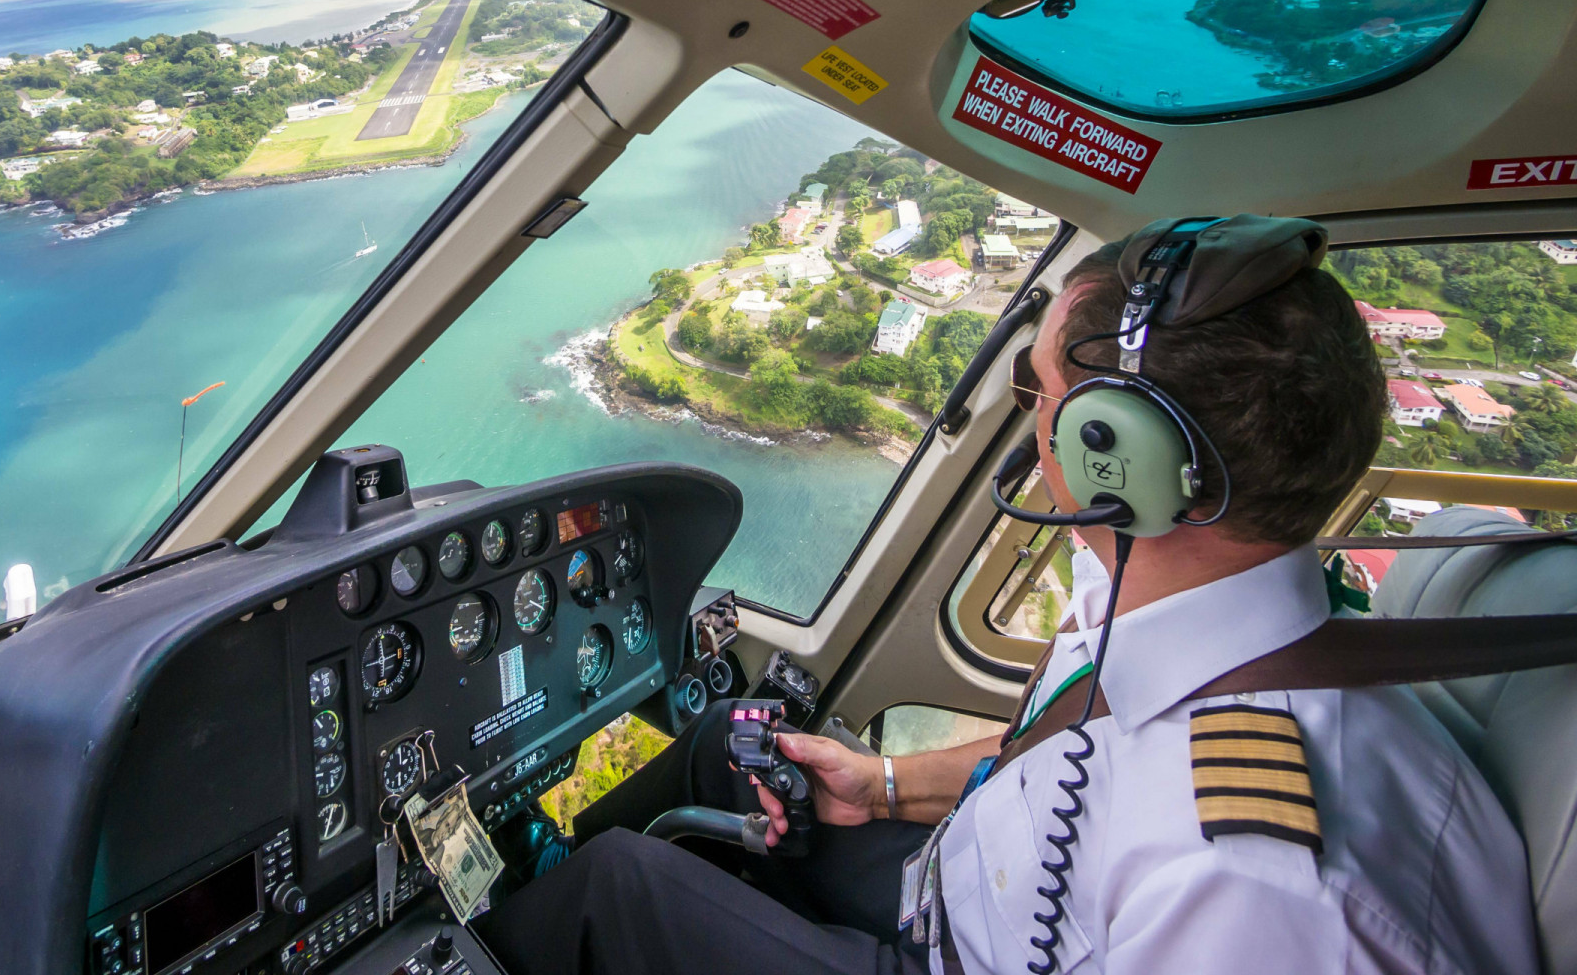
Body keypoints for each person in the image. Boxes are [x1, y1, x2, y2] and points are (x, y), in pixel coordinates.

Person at [477, 224, 1540, 975]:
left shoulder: (1257, 890)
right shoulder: (1177, 607)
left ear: (1119, 459)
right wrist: (884, 785)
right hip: (967, 895)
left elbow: (1144, 828)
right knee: (727, 743)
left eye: (1041, 396)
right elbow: (1081, 761)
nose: (1031, 427)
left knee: (621, 889)